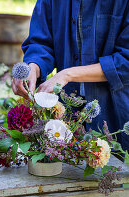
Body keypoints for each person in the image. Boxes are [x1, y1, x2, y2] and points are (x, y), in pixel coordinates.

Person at [12, 0, 129, 150]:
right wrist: (33, 67)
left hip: (117, 115)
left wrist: (68, 74)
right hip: (65, 117)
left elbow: (125, 61)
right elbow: (41, 41)